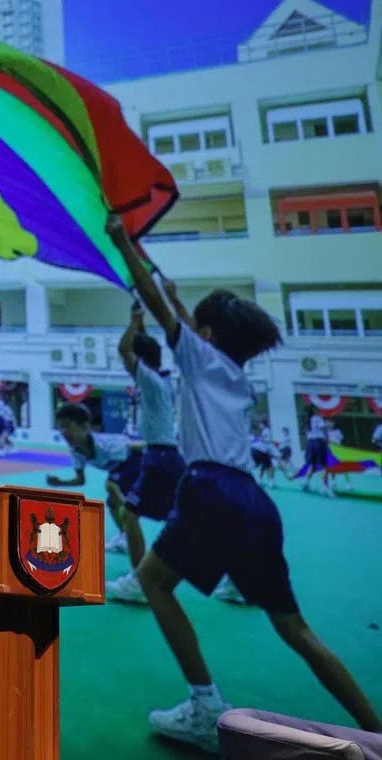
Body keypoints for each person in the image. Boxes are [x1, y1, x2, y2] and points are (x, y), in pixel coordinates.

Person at [110, 215, 381, 752]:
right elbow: (184, 316)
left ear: (205, 334)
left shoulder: (196, 353)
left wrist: (122, 242)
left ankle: (206, 705)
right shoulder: (231, 369)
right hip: (257, 503)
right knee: (295, 630)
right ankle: (374, 732)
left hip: (211, 490)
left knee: (154, 583)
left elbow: (169, 312)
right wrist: (170, 292)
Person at [105, 302, 186, 605]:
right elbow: (140, 350)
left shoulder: (150, 381)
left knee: (131, 512)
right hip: (164, 455)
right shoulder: (161, 378)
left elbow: (124, 350)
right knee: (187, 519)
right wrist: (140, 327)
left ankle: (141, 582)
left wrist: (133, 321)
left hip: (160, 460)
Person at [46, 403, 141, 562]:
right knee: (112, 505)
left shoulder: (107, 444)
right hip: (117, 470)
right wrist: (59, 483)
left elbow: (134, 446)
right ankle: (125, 535)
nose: (63, 432)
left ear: (85, 427)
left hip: (135, 462)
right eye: (60, 427)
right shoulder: (76, 452)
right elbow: (80, 480)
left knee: (111, 488)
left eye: (68, 427)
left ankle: (129, 525)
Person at [301, 404, 333, 497]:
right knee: (324, 465)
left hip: (310, 443)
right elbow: (323, 428)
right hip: (319, 442)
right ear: (314, 409)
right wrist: (327, 438)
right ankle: (324, 486)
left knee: (313, 464)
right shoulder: (317, 418)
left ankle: (306, 482)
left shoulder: (305, 419)